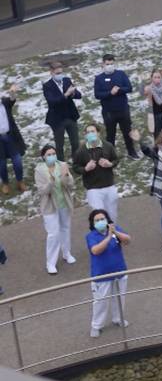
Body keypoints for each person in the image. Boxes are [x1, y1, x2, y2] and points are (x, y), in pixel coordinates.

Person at [86, 208, 131, 338]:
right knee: (101, 302)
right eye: (97, 220)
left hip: (119, 272)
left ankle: (118, 318)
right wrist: (108, 237)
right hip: (102, 276)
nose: (100, 221)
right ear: (93, 223)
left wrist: (115, 232)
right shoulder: (91, 236)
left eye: (102, 219)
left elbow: (127, 240)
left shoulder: (115, 230)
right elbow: (95, 250)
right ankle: (96, 326)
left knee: (119, 298)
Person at [35, 145, 76, 275]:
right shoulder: (40, 170)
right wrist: (51, 182)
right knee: (53, 233)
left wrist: (65, 176)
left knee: (65, 228)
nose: (52, 156)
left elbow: (70, 185)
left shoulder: (62, 165)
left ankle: (66, 253)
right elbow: (42, 191)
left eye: (53, 153)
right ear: (43, 157)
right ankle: (50, 263)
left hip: (63, 203)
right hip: (50, 206)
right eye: (49, 154)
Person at [72, 124, 120, 225]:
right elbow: (75, 167)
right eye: (88, 132)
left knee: (112, 215)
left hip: (109, 186)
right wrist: (85, 168)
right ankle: (101, 237)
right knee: (99, 216)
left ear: (98, 133)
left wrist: (110, 164)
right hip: (93, 189)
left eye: (93, 131)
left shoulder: (108, 146)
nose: (91, 134)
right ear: (85, 135)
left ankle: (113, 236)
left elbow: (116, 159)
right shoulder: (81, 151)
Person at [93, 54, 139, 159]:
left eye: (112, 64)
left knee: (127, 131)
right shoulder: (99, 79)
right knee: (110, 134)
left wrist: (119, 90)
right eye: (107, 64)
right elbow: (97, 95)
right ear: (103, 64)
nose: (110, 66)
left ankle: (131, 151)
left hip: (123, 109)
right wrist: (110, 93)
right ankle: (111, 155)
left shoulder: (121, 74)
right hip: (109, 112)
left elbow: (129, 88)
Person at [42, 61, 82, 161]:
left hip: (70, 116)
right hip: (57, 119)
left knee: (75, 142)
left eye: (61, 73)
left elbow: (78, 95)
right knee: (59, 145)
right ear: (51, 72)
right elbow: (52, 102)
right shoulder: (47, 86)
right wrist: (65, 95)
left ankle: (76, 160)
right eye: (57, 73)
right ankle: (61, 164)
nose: (60, 75)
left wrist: (73, 94)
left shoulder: (67, 80)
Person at [0, 84, 28, 194]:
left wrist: (12, 92)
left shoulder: (5, 103)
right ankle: (5, 183)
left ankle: (20, 181)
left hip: (10, 136)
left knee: (17, 160)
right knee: (1, 164)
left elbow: (12, 99)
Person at [142, 69, 162, 138]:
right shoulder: (149, 87)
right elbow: (142, 92)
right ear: (152, 78)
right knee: (157, 136)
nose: (157, 79)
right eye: (155, 77)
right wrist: (143, 81)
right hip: (154, 116)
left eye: (159, 77)